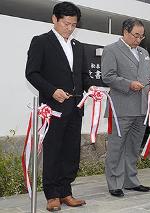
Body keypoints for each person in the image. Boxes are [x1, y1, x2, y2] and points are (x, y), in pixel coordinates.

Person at [25, 2, 93, 211]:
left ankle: (66, 192)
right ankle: (52, 194)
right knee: (53, 150)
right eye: (66, 23)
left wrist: (91, 89)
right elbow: (32, 73)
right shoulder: (41, 42)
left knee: (71, 152)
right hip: (53, 108)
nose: (70, 28)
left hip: (75, 107)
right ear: (54, 19)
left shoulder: (78, 46)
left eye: (73, 24)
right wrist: (52, 90)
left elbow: (83, 76)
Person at [101, 18, 150, 197]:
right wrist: (128, 84)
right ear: (125, 32)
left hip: (142, 108)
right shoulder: (111, 50)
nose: (139, 40)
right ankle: (115, 183)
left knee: (133, 147)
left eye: (142, 36)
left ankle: (131, 181)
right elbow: (108, 76)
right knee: (116, 147)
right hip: (121, 107)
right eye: (136, 35)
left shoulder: (143, 52)